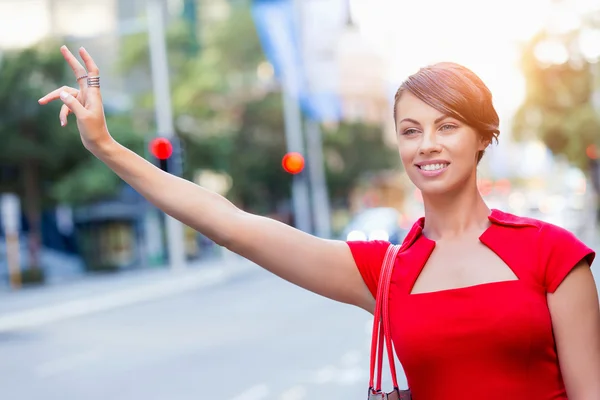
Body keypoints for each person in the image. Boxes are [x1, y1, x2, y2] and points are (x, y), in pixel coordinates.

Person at [39, 46, 600, 399]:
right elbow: (234, 226)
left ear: (482, 136)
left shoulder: (551, 254)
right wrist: (108, 146)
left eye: (447, 126)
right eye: (410, 130)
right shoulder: (384, 272)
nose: (427, 144)